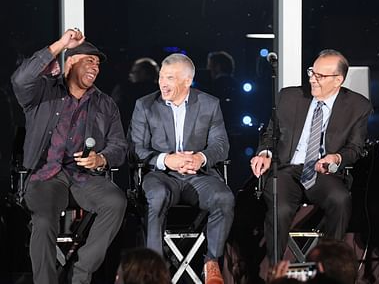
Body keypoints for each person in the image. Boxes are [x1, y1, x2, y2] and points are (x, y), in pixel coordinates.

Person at [10, 29, 128, 284]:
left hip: (83, 176)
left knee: (116, 202)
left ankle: (81, 273)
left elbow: (119, 146)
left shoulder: (105, 104)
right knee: (42, 222)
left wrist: (102, 158)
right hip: (45, 175)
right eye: (90, 60)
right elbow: (20, 80)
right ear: (71, 60)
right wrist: (61, 44)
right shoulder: (42, 93)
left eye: (98, 64)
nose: (95, 67)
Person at [250, 49, 372, 262]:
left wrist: (336, 158)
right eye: (311, 72)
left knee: (340, 200)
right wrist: (265, 153)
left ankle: (329, 268)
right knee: (281, 207)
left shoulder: (358, 106)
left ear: (338, 80)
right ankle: (275, 271)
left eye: (320, 76)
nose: (312, 79)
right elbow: (270, 134)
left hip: (323, 171)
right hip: (287, 169)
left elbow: (355, 148)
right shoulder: (289, 97)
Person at [129, 53, 234, 284]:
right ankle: (153, 270)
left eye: (169, 78)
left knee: (224, 197)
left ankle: (212, 262)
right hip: (160, 175)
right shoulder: (145, 105)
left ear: (187, 81)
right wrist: (167, 160)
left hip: (199, 176)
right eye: (161, 77)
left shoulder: (209, 104)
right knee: (155, 196)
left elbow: (221, 145)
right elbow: (136, 149)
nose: (162, 84)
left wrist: (200, 158)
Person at [111, 57, 160, 130]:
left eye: (134, 72)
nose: (130, 75)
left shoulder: (125, 90)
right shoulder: (166, 93)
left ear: (145, 73)